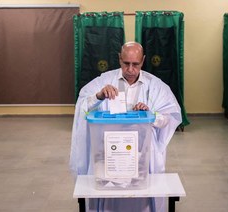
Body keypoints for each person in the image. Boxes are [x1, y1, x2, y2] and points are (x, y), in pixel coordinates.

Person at [70, 41, 182, 212]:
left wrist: (151, 115)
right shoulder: (105, 80)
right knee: (110, 196)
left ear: (143, 61)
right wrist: (99, 96)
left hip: (144, 154)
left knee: (142, 195)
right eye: (126, 63)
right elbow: (83, 105)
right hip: (110, 152)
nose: (130, 70)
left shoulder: (156, 86)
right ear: (119, 59)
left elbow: (170, 117)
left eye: (135, 64)